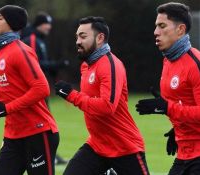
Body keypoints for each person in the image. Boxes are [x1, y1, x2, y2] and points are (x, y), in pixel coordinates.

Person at [135, 2, 200, 175]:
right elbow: (184, 103)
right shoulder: (168, 61)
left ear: (180, 30)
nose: (156, 32)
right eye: (156, 26)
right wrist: (177, 129)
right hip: (185, 154)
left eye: (162, 26)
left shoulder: (197, 64)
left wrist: (167, 107)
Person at [54, 16, 150, 175]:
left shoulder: (111, 65)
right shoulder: (86, 66)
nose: (78, 41)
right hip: (97, 146)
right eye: (77, 36)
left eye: (83, 36)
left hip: (125, 147)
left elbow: (107, 107)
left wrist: (72, 95)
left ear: (100, 38)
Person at [0, 5, 59, 175]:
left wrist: (7, 108)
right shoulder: (0, 52)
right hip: (13, 135)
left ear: (11, 24)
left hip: (38, 132)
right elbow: (13, 93)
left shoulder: (20, 51)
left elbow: (42, 89)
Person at [21, 11, 68, 165]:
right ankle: (46, 154)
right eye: (46, 24)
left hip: (39, 89)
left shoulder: (40, 40)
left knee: (44, 122)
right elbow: (35, 64)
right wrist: (57, 65)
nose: (49, 27)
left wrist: (54, 71)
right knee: (43, 122)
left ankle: (50, 154)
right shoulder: (33, 40)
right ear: (39, 25)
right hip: (35, 90)